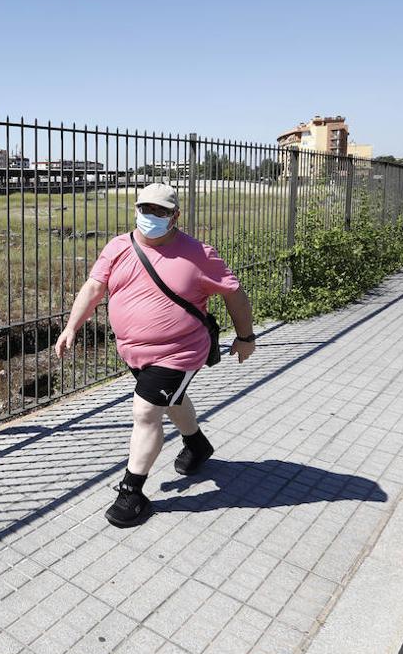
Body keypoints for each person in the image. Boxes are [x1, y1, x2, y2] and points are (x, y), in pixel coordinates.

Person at [53, 182, 256, 528]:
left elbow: (234, 293)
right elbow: (94, 287)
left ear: (175, 215)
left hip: (180, 350)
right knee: (171, 400)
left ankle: (132, 492)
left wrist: (246, 337)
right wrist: (72, 326)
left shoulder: (198, 254)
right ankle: (197, 444)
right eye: (146, 209)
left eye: (161, 211)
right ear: (136, 209)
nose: (152, 216)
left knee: (146, 411)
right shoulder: (118, 247)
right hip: (134, 352)